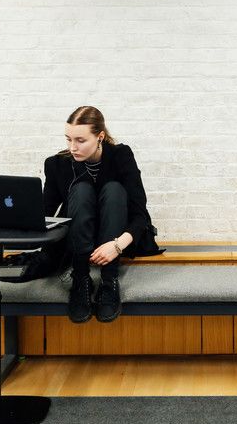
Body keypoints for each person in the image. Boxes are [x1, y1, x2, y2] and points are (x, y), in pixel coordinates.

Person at [43, 106, 161, 323]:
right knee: (80, 189)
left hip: (117, 237)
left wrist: (116, 246)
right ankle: (81, 280)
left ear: (100, 136)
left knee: (114, 189)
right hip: (78, 239)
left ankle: (109, 281)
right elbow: (45, 213)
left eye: (80, 140)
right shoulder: (57, 164)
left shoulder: (121, 156)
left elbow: (139, 214)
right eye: (68, 139)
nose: (72, 147)